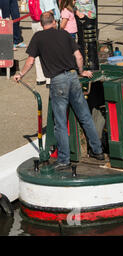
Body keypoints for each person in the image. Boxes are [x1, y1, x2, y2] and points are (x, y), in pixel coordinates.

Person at [13, 12, 105, 170]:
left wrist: (20, 73)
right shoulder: (64, 33)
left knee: (60, 123)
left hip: (58, 81)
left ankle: (64, 159)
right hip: (73, 77)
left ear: (42, 24)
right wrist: (81, 72)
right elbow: (79, 56)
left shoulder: (38, 37)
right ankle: (98, 151)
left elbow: (29, 61)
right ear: (54, 22)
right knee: (85, 116)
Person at [27, 0, 61, 86]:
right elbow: (49, 12)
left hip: (35, 24)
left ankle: (40, 77)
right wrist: (54, 24)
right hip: (46, 25)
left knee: (38, 51)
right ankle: (50, 78)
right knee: (50, 51)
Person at [70, 0, 98, 69]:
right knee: (83, 42)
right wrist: (77, 13)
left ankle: (91, 63)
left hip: (90, 17)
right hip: (83, 19)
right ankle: (82, 65)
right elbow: (68, 2)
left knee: (91, 42)